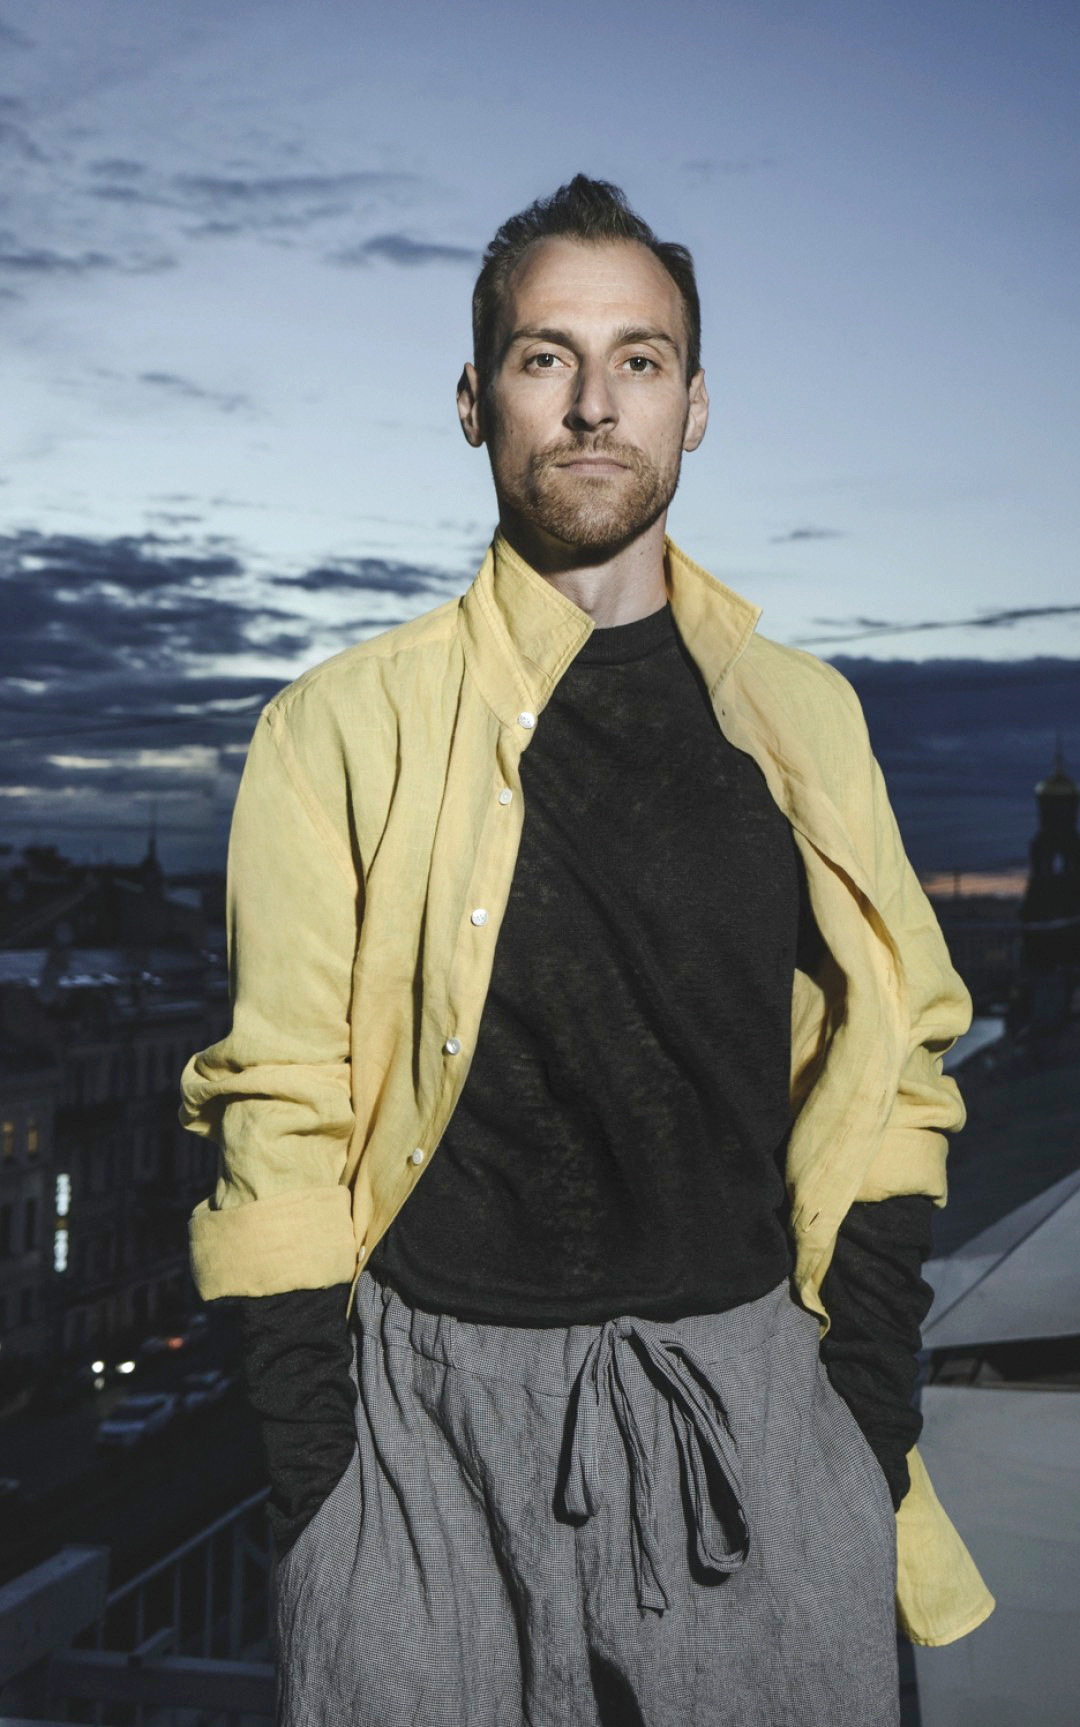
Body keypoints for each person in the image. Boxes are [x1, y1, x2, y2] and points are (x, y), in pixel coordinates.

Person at [179, 174, 994, 1726]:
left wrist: (861, 1416)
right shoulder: (336, 728)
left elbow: (902, 1061)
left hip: (756, 1423)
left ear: (696, 407)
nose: (595, 403)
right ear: (474, 400)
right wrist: (321, 1485)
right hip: (418, 1455)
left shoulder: (806, 718)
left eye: (641, 359)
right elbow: (276, 1103)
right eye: (547, 357)